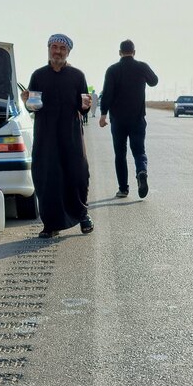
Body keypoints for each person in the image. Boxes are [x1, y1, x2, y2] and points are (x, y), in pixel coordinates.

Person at [21, 33, 93, 238]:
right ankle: (51, 224)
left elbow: (83, 105)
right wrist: (26, 101)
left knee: (78, 174)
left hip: (70, 134)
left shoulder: (77, 75)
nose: (57, 51)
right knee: (47, 177)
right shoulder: (38, 75)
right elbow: (33, 106)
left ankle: (82, 215)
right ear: (48, 49)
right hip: (46, 135)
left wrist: (87, 106)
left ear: (68, 51)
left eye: (62, 48)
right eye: (54, 47)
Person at [99, 39, 158, 198]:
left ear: (120, 52)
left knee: (120, 153)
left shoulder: (112, 70)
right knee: (139, 151)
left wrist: (103, 114)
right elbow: (154, 81)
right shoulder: (141, 67)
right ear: (134, 52)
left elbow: (107, 93)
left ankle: (123, 189)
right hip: (137, 118)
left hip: (118, 119)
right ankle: (141, 172)